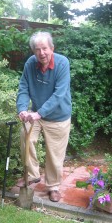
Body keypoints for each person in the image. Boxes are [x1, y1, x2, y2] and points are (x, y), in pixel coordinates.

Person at [16, 31, 72, 202]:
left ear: (52, 48)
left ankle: (53, 187)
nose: (42, 53)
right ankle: (33, 175)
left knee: (55, 154)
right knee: (25, 136)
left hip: (58, 116)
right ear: (33, 51)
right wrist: (22, 109)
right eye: (37, 49)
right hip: (35, 114)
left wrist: (39, 113)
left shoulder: (62, 64)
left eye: (45, 48)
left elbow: (59, 94)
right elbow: (24, 87)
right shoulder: (30, 64)